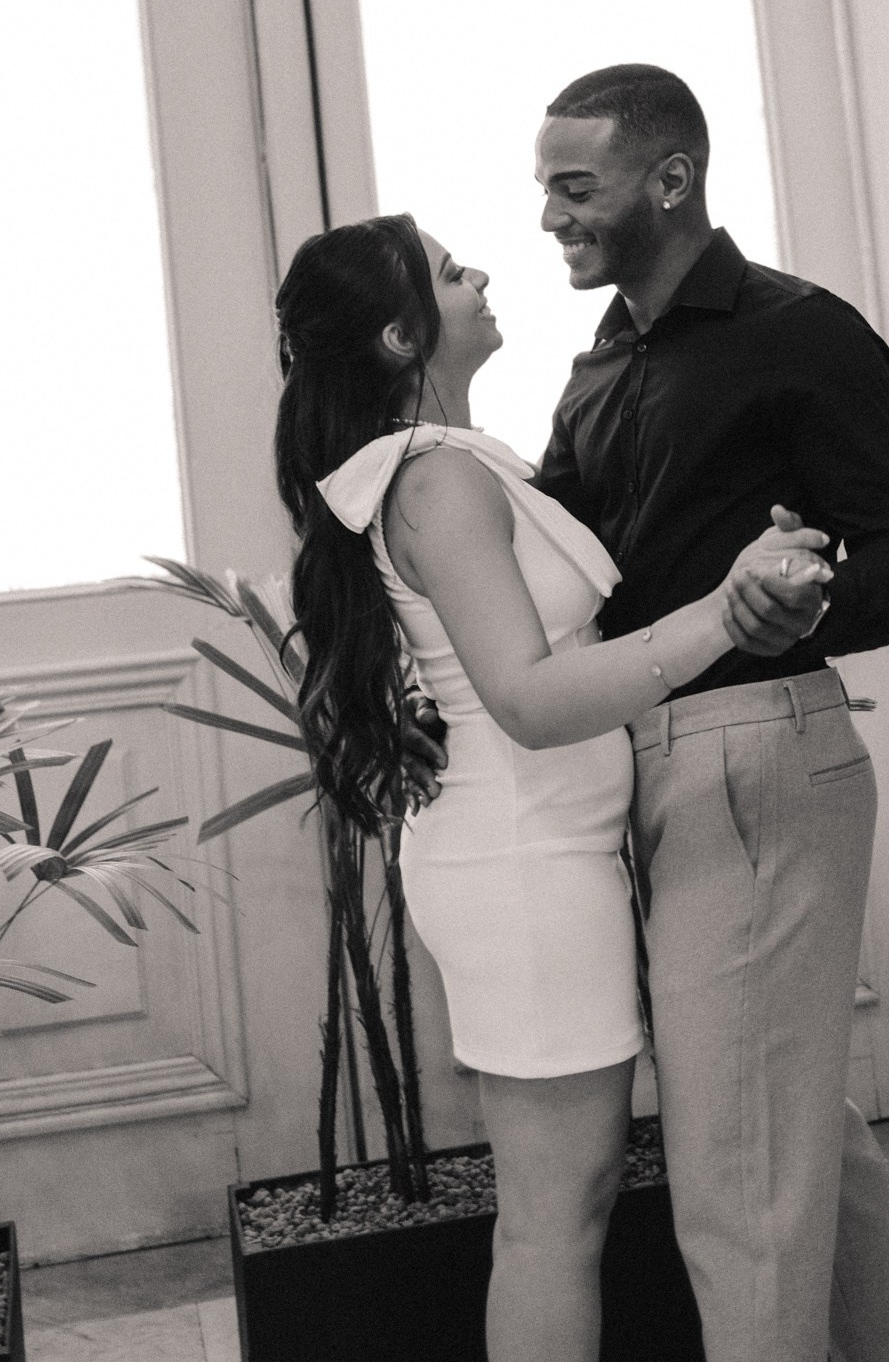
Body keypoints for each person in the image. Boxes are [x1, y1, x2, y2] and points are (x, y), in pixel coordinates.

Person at [272, 213, 832, 1362]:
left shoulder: (455, 464)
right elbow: (526, 697)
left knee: (560, 1209)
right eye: (447, 269)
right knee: (553, 1217)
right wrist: (727, 613)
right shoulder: (434, 480)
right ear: (401, 335)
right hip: (523, 868)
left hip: (541, 855)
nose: (478, 271)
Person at [533, 63, 889, 1362]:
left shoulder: (799, 331)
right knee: (791, 1135)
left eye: (575, 186)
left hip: (757, 758)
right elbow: (558, 570)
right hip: (653, 767)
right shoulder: (599, 365)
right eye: (545, 188)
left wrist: (806, 604)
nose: (550, 215)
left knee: (739, 1183)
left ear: (670, 179)